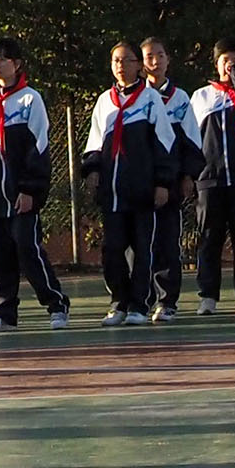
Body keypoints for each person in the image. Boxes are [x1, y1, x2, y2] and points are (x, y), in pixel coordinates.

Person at [0, 37, 70, 330]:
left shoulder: (30, 99)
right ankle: (5, 314)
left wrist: (29, 189)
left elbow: (38, 149)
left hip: (21, 194)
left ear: (16, 64)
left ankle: (56, 304)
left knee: (28, 248)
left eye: (1, 59)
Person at [83, 42, 169, 323]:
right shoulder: (104, 101)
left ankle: (139, 305)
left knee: (143, 248)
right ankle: (118, 302)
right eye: (115, 61)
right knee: (112, 249)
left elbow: (164, 143)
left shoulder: (150, 99)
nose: (120, 66)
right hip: (113, 191)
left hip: (142, 189)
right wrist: (93, 171)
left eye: (126, 60)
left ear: (137, 65)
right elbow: (94, 142)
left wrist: (162, 182)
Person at [189, 39, 235, 315]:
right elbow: (191, 137)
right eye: (225, 61)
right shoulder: (201, 97)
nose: (230, 65)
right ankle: (208, 295)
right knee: (209, 238)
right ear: (216, 63)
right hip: (210, 180)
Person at [139, 38, 200, 309]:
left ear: (168, 59)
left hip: (170, 184)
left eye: (160, 55)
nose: (156, 61)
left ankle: (167, 301)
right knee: (139, 244)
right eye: (150, 56)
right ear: (140, 63)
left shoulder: (180, 98)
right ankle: (141, 299)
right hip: (138, 183)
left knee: (167, 242)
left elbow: (192, 141)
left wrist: (187, 175)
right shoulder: (134, 98)